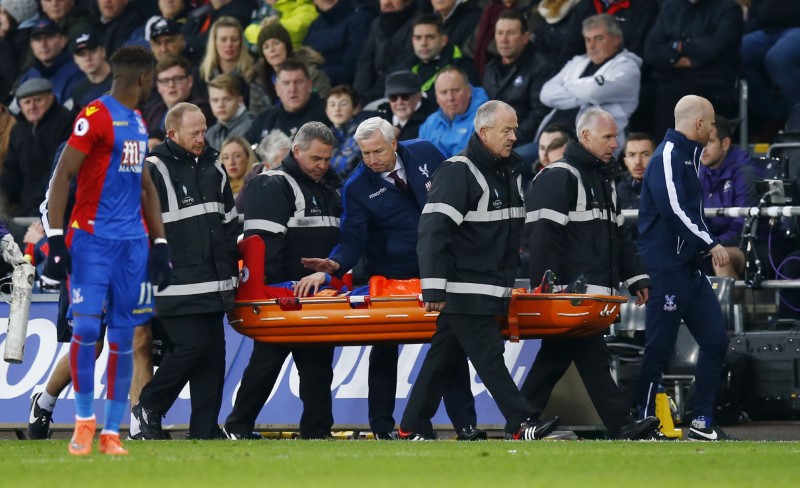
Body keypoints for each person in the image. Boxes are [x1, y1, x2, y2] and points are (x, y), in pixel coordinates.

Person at [301, 117, 482, 441]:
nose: (371, 160)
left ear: (394, 143)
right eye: (365, 153)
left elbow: (459, 192)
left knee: (448, 347)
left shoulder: (426, 153)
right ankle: (382, 426)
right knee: (384, 348)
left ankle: (465, 426)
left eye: (377, 151)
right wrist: (335, 262)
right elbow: (353, 237)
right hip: (392, 274)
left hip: (440, 268)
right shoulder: (356, 187)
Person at [398, 100, 559, 441]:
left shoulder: (509, 172)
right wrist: (434, 288)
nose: (514, 136)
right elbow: (432, 230)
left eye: (515, 129)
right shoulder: (459, 171)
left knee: (441, 360)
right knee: (489, 356)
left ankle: (411, 426)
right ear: (484, 132)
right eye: (507, 130)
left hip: (489, 286)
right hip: (464, 286)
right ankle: (521, 422)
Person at [44, 45, 170, 456]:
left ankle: (111, 432)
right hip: (91, 240)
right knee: (85, 332)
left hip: (132, 245)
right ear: (144, 78)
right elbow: (63, 174)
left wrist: (160, 243)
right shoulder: (95, 116)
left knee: (123, 337)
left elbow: (146, 186)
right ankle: (84, 422)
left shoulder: (135, 121)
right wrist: (59, 238)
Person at [521, 107, 660, 441]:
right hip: (570, 293)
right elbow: (541, 237)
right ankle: (622, 424)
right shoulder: (559, 176)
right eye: (608, 137)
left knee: (559, 356)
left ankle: (519, 419)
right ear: (585, 137)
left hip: (591, 293)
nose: (616, 143)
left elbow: (619, 237)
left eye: (615, 136)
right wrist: (547, 285)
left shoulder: (602, 181)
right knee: (586, 355)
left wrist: (636, 277)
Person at [224, 122, 341, 440]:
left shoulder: (328, 187)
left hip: (316, 296)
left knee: (317, 368)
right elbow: (261, 249)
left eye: (328, 159)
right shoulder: (271, 184)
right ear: (297, 150)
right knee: (266, 363)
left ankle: (317, 432)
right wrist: (279, 292)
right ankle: (238, 426)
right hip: (282, 298)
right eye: (317, 158)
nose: (323, 166)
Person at [132, 102, 238, 440]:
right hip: (173, 283)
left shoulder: (214, 167)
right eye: (195, 132)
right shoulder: (152, 169)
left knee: (214, 357)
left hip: (215, 281)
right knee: (194, 346)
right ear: (172, 133)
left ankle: (205, 430)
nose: (201, 137)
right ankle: (149, 405)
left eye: (204, 130)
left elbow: (229, 224)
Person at [635, 95, 736, 441]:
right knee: (659, 349)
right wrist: (710, 243)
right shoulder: (667, 155)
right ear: (697, 124)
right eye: (709, 123)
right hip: (664, 268)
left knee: (715, 341)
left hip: (688, 270)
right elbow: (673, 210)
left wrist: (700, 251)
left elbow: (687, 212)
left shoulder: (688, 158)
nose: (712, 129)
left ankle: (701, 420)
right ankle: (645, 421)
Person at [643, 0, 743, 140]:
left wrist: (677, 46)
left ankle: (671, 156)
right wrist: (685, 60)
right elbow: (651, 50)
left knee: (669, 97)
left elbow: (715, 48)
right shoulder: (670, 6)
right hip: (667, 80)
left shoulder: (728, 9)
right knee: (640, 96)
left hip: (712, 85)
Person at [538, 14, 641, 145]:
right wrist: (584, 96)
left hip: (588, 145)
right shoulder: (578, 61)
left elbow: (593, 91)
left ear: (617, 39)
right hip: (547, 138)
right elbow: (545, 94)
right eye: (588, 40)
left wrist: (565, 87)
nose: (591, 46)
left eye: (598, 39)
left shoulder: (628, 67)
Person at [1, 78, 74, 217]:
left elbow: (57, 171)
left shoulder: (66, 122)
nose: (32, 107)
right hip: (24, 206)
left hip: (57, 206)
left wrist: (33, 207)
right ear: (20, 106)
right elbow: (11, 172)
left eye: (38, 100)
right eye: (27, 102)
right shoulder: (18, 130)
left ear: (51, 98)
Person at [482, 11, 554, 148]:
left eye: (511, 33)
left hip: (522, 142)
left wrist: (507, 140)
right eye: (499, 33)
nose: (504, 39)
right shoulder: (490, 68)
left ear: (525, 37)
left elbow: (539, 115)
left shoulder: (542, 67)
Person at [698, 115, 757, 280]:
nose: (702, 148)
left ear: (725, 144)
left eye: (709, 141)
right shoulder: (699, 170)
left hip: (749, 246)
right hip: (714, 243)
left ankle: (730, 306)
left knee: (720, 259)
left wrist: (709, 244)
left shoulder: (745, 173)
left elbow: (742, 228)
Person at [740, 0, 800, 141]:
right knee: (733, 54)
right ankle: (775, 114)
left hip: (797, 28)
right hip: (767, 30)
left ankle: (796, 114)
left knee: (778, 58)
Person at [247, 17, 330, 115]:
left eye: (276, 43)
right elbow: (255, 117)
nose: (272, 50)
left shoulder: (313, 75)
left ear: (286, 46)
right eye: (266, 47)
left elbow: (324, 108)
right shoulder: (258, 82)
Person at [392, 14, 478, 100]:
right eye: (418, 38)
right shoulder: (403, 65)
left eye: (430, 37)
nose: (423, 43)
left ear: (443, 41)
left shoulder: (462, 66)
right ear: (413, 41)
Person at [246, 59, 330, 144]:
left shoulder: (327, 114)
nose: (293, 89)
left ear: (309, 85)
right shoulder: (264, 118)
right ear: (277, 89)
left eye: (298, 82)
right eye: (286, 83)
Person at [353, 0, 418, 104]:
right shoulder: (377, 24)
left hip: (402, 95)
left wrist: (371, 96)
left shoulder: (418, 24)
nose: (387, 2)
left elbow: (405, 63)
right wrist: (357, 99)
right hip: (372, 96)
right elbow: (364, 64)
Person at [419, 66, 489, 158]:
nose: (450, 98)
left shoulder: (485, 120)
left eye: (456, 90)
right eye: (444, 92)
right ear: (436, 97)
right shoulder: (429, 124)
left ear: (469, 91)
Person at [302, 0, 374, 87]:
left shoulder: (361, 20)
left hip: (343, 91)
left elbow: (351, 69)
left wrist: (313, 74)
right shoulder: (315, 26)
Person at [142, 54, 214, 140]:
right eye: (165, 81)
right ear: (158, 86)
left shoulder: (201, 109)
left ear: (190, 81)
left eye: (177, 79)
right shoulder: (154, 111)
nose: (171, 85)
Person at [16, 18, 84, 109]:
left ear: (62, 41)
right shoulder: (28, 76)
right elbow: (15, 111)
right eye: (38, 39)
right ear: (31, 45)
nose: (43, 45)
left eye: (49, 38)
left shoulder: (78, 71)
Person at [376, 70, 437, 141]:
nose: (399, 102)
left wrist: (389, 140)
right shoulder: (380, 117)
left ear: (418, 96)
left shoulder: (431, 121)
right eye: (393, 98)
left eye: (405, 96)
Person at [617, 132, 656, 241]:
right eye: (632, 155)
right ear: (625, 161)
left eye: (645, 154)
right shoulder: (616, 190)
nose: (638, 162)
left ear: (656, 157)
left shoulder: (670, 189)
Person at [325, 84, 368, 178]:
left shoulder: (361, 132)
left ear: (356, 109)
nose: (337, 109)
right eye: (332, 105)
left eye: (343, 104)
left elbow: (343, 166)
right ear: (327, 111)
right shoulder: (322, 135)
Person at [198, 16, 253, 89]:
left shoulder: (253, 72)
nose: (229, 44)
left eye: (234, 39)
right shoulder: (202, 74)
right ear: (214, 42)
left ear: (241, 42)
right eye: (223, 40)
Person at [206, 73, 254, 150]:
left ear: (240, 100)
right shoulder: (210, 133)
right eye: (215, 100)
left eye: (227, 99)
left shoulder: (250, 128)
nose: (220, 105)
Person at [67, 31, 112, 110]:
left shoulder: (124, 80)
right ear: (75, 59)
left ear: (103, 51)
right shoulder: (79, 91)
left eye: (92, 51)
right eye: (81, 54)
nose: (88, 58)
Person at [219, 134, 256, 201]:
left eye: (237, 156)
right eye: (226, 157)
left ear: (248, 158)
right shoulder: (218, 189)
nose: (231, 162)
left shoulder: (257, 185)